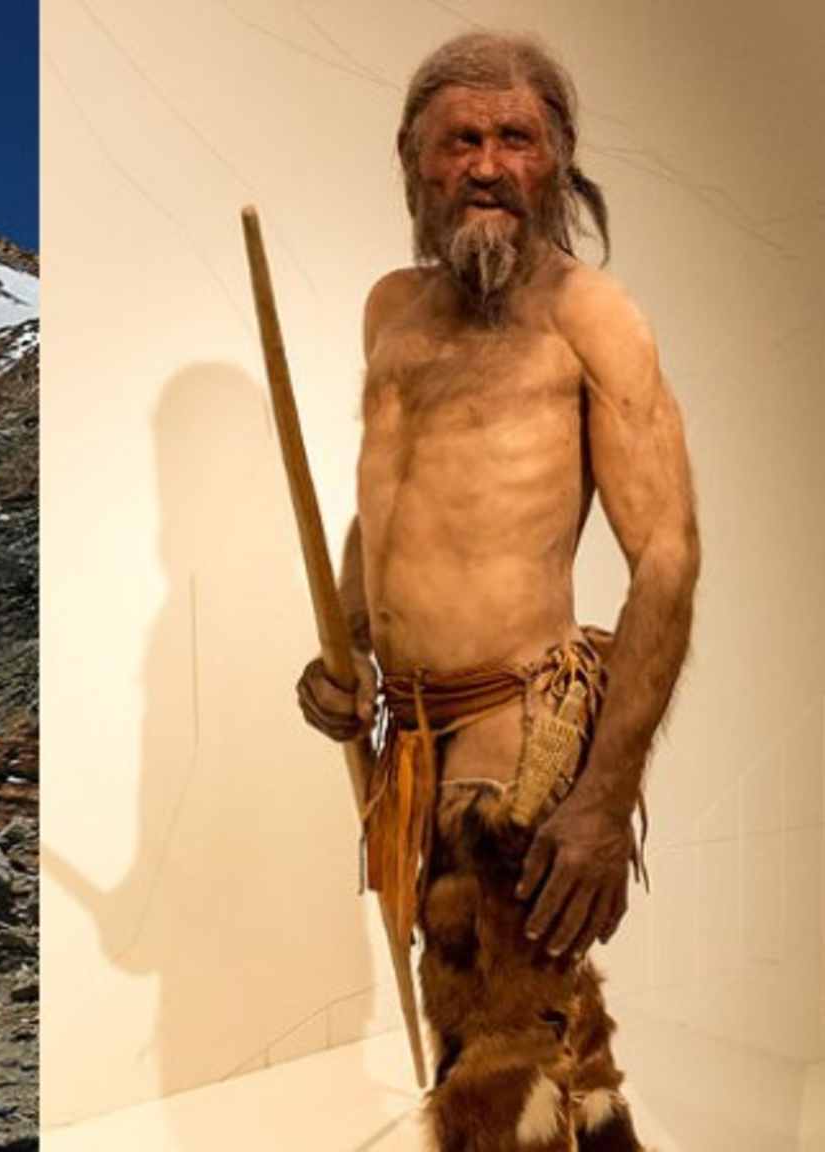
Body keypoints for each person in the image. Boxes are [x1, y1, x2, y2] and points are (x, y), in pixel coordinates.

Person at [294, 30, 699, 1152]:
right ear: (413, 160)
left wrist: (607, 796)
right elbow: (385, 505)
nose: (485, 163)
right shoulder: (392, 310)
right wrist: (348, 648)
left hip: (521, 722)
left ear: (557, 159)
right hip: (410, 738)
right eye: (459, 139)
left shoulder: (591, 318)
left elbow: (666, 554)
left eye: (514, 138)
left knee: (494, 1029)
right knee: (519, 1014)